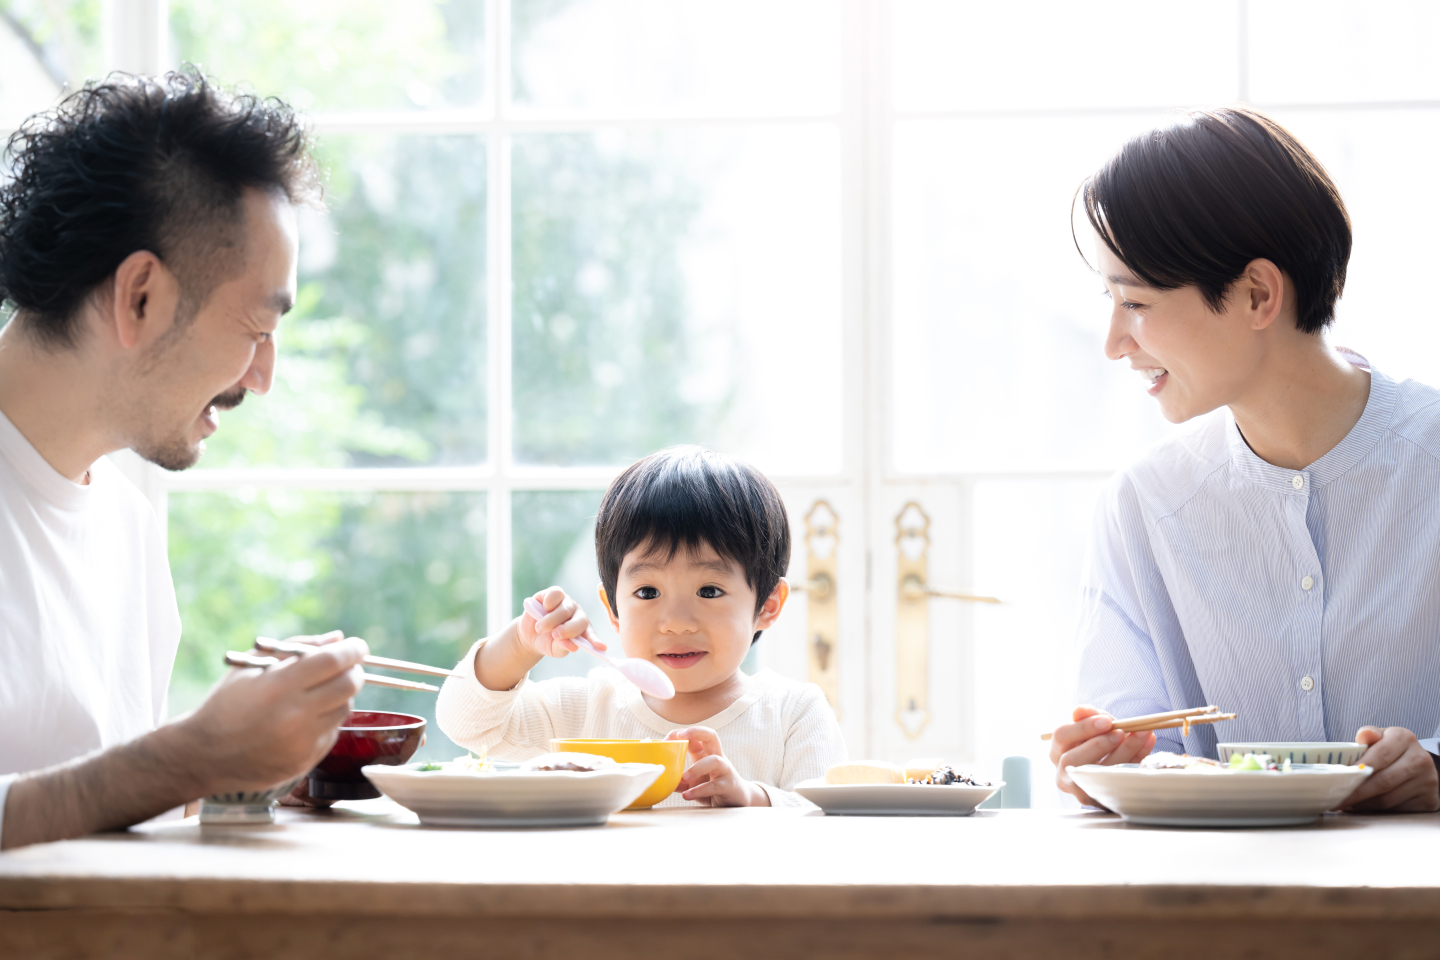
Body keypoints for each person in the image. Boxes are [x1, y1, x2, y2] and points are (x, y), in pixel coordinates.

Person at [0, 71, 369, 850]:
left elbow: (111, 824)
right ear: (140, 295)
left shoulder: (126, 528)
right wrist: (188, 756)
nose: (263, 378)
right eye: (256, 328)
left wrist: (244, 759)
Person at [1047, 107, 1440, 813]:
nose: (1113, 342)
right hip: (1215, 883)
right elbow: (1127, 736)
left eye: (1135, 302)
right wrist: (1104, 763)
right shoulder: (1144, 505)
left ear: (1258, 294)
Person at [436, 445, 847, 806]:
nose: (676, 624)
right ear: (613, 609)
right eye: (648, 592)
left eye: (709, 591)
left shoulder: (794, 713)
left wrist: (752, 797)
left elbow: (828, 824)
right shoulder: (585, 710)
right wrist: (522, 643)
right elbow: (467, 723)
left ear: (767, 605)